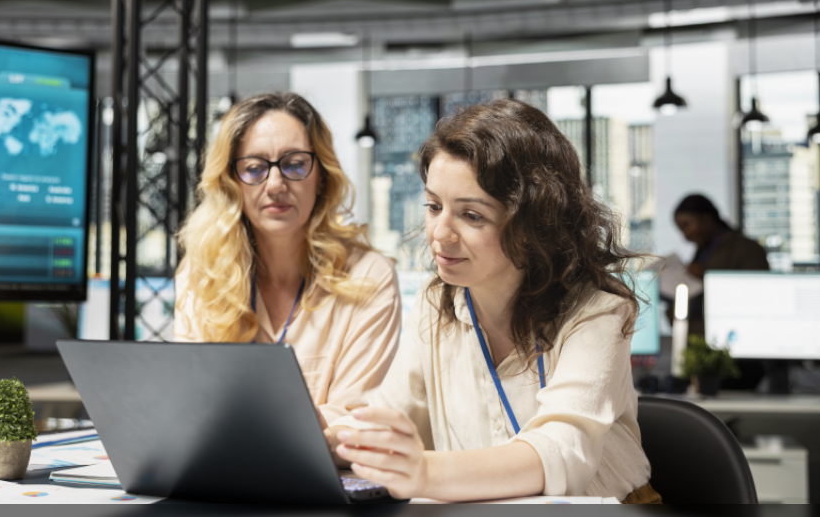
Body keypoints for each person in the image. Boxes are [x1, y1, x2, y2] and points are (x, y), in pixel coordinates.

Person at [324, 99, 659, 503]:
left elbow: (561, 454)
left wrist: (423, 471)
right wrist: (317, 435)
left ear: (535, 222)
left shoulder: (598, 313)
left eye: (471, 216)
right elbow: (393, 416)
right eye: (433, 206)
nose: (440, 234)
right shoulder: (437, 304)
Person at [174, 92, 401, 424]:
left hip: (327, 474)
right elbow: (190, 403)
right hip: (220, 472)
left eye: (294, 164)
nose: (276, 184)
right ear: (232, 182)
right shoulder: (201, 273)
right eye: (254, 168)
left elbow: (356, 417)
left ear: (321, 175)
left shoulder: (368, 276)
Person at [673, 194, 769, 389]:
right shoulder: (704, 248)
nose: (685, 235)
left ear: (707, 218)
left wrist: (707, 276)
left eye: (687, 225)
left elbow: (757, 296)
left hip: (735, 354)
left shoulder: (746, 249)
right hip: (704, 353)